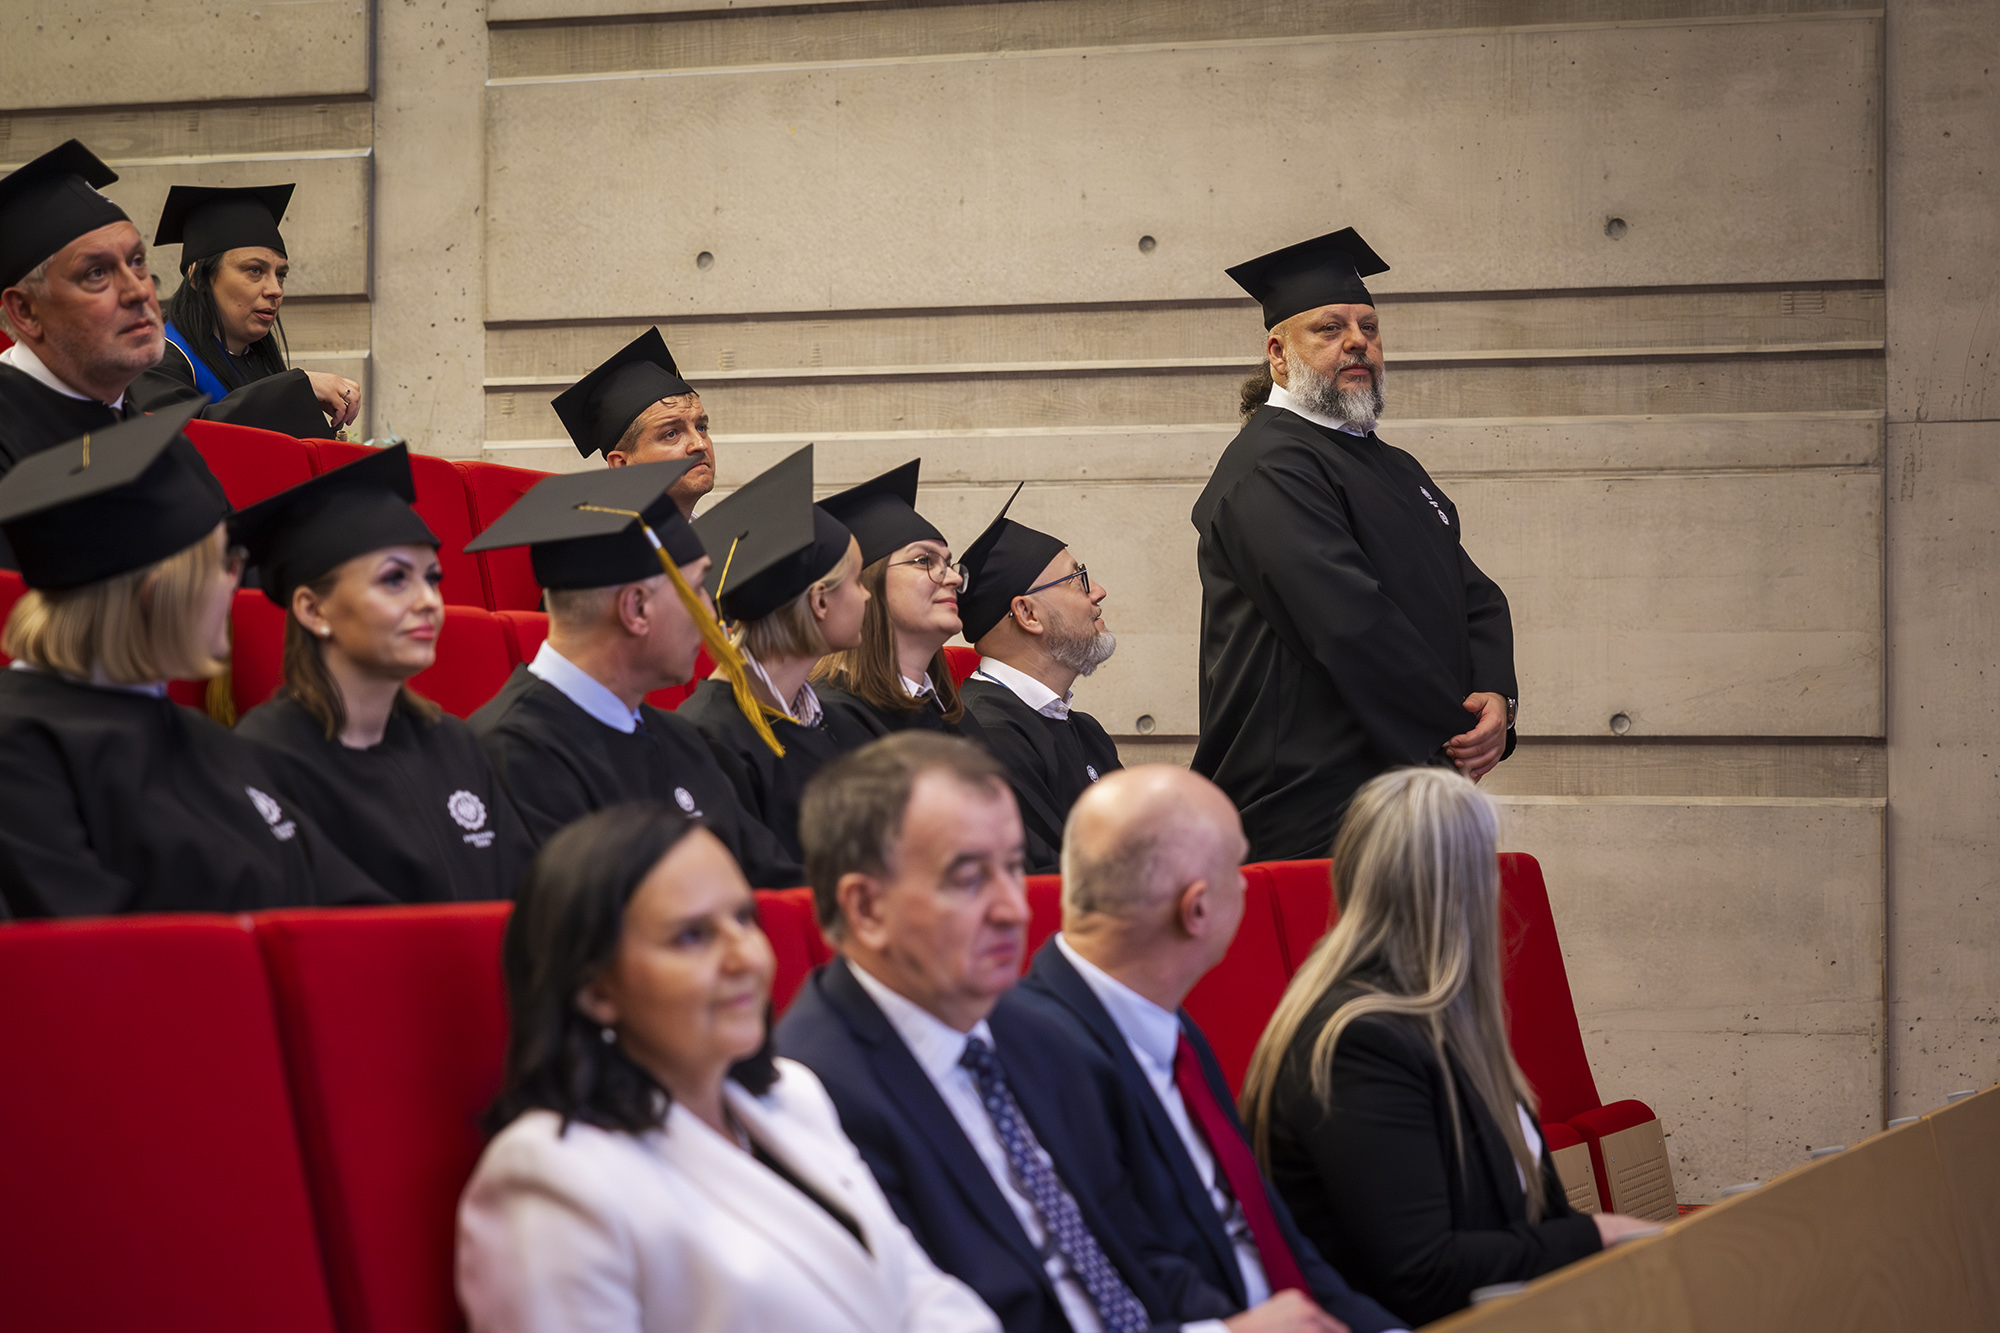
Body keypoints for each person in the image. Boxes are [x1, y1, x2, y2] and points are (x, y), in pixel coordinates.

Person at [776, 732, 1341, 1333]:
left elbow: (1141, 1256)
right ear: (866, 909)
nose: (1014, 909)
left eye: (1014, 867)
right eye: (969, 878)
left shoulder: (1030, 1034)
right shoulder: (814, 1098)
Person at [457, 801, 1000, 1333]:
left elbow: (915, 1292)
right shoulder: (550, 1175)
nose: (747, 957)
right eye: (692, 936)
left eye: (744, 918)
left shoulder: (792, 1096)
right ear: (596, 990)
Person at [1238, 768, 1655, 1327]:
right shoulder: (1360, 1040)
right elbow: (1421, 1272)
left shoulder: (1440, 1018)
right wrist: (1598, 1233)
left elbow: (1526, 1217)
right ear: (1466, 888)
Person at [1009, 767, 1406, 1333]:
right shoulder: (1036, 1054)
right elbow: (1136, 1279)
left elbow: (1274, 1238)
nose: (1246, 885)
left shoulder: (1169, 1024)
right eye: (1236, 869)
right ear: (1196, 910)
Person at [1190, 228, 1518, 862]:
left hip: (1403, 779)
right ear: (1278, 353)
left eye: (1369, 327)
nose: (1357, 342)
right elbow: (1347, 623)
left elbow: (1474, 596)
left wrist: (1495, 695)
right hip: (1310, 798)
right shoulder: (1270, 466)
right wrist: (1455, 729)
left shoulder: (1394, 465)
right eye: (1330, 329)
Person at [0, 401, 383, 916]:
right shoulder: (21, 748)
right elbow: (91, 951)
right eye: (225, 563)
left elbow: (352, 907)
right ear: (156, 595)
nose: (236, 584)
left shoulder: (205, 740)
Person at [464, 458, 804, 887]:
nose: (712, 611)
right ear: (637, 608)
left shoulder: (679, 739)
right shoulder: (512, 755)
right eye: (698, 588)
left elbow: (774, 879)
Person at [232, 444, 534, 903]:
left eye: (432, 578)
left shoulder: (453, 744)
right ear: (313, 609)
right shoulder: (265, 758)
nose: (429, 601)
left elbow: (527, 904)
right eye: (395, 579)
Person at [681, 444, 869, 862]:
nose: (867, 596)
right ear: (820, 601)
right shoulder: (710, 736)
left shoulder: (837, 723)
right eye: (857, 581)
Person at [955, 484, 1122, 873]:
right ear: (1027, 614)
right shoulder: (984, 737)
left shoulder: (1085, 730)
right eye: (1078, 578)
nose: (1098, 592)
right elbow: (1045, 878)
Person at [129, 183, 362, 436]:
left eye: (280, 275)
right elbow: (183, 440)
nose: (275, 289)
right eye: (255, 270)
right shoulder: (154, 362)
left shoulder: (257, 362)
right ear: (198, 278)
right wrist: (293, 389)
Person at [0, 141, 161, 470]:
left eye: (137, 261)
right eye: (96, 273)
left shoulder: (144, 426)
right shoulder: (10, 443)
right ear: (26, 312)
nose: (138, 292)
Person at [810, 460, 987, 749]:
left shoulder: (956, 720)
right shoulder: (830, 721)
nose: (954, 578)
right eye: (924, 560)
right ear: (863, 585)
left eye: (948, 563)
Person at [553, 326, 714, 514]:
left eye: (701, 427)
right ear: (621, 465)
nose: (700, 444)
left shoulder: (712, 530)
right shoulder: (607, 534)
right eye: (671, 434)